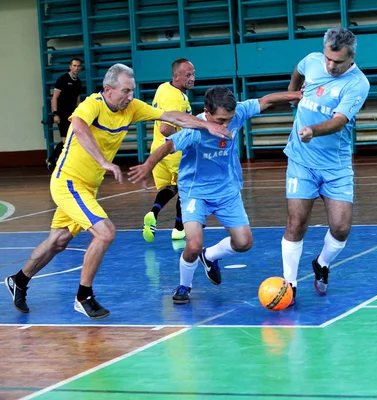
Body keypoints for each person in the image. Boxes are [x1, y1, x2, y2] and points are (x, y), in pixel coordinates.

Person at [4, 63, 230, 319]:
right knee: (105, 233)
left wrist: (206, 125)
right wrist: (103, 161)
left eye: (132, 91)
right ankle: (83, 296)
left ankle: (19, 280)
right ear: (108, 89)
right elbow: (77, 127)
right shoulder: (92, 105)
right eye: (125, 91)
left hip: (88, 187)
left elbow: (172, 116)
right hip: (68, 182)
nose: (130, 96)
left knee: (58, 241)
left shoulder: (131, 108)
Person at [129, 86, 302, 304]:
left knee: (244, 243)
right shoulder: (194, 129)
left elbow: (267, 99)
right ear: (207, 113)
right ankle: (185, 286)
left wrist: (297, 96)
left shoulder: (237, 113)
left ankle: (210, 256)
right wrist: (148, 164)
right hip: (195, 192)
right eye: (220, 121)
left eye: (229, 119)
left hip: (226, 191)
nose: (225, 125)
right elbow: (169, 146)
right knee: (192, 245)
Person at [281, 27, 370, 304]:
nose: (331, 65)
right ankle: (290, 284)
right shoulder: (312, 61)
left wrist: (312, 131)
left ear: (351, 57)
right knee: (296, 222)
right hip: (301, 160)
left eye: (338, 62)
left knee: (341, 227)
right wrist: (292, 92)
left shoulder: (358, 84)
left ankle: (322, 263)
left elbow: (339, 121)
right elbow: (298, 69)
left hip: (336, 165)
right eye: (328, 59)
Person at [142, 58, 194, 243]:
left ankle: (153, 213)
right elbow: (165, 128)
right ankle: (179, 229)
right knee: (185, 189)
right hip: (174, 152)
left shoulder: (163, 88)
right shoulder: (177, 98)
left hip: (158, 149)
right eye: (188, 75)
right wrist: (184, 139)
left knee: (169, 187)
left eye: (193, 73)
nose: (192, 78)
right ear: (176, 76)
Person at [47, 58, 84, 171]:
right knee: (65, 140)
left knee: (71, 139)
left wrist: (79, 114)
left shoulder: (78, 82)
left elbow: (78, 101)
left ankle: (55, 159)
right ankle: (52, 159)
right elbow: (55, 97)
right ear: (70, 66)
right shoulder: (62, 79)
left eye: (78, 66)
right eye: (74, 65)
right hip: (62, 114)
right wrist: (55, 113)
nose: (76, 68)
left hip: (72, 115)